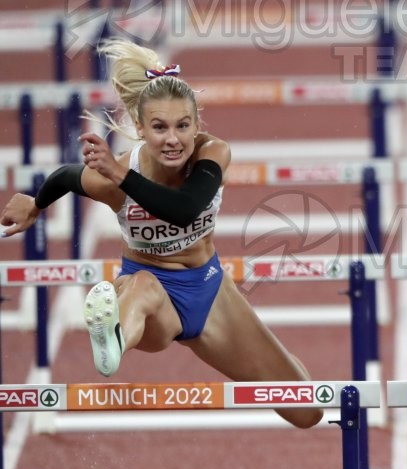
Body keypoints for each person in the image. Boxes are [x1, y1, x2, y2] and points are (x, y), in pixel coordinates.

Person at [0, 39, 322, 428]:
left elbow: (186, 210)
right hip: (154, 299)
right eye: (159, 127)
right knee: (142, 287)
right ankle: (113, 336)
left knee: (307, 409)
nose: (173, 139)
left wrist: (119, 176)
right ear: (140, 128)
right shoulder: (113, 177)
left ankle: (286, 367)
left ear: (196, 125)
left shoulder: (211, 153)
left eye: (183, 126)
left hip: (209, 289)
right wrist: (36, 203)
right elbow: (68, 176)